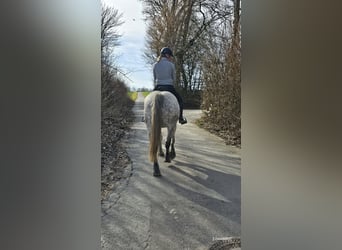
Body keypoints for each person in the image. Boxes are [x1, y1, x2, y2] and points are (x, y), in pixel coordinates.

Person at [153, 47, 187, 125]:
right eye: (170, 56)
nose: (171, 58)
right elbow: (174, 78)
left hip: (158, 87)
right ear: (167, 55)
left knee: (149, 101)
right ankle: (181, 118)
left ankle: (145, 117)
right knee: (180, 101)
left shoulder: (155, 65)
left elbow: (155, 78)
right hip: (169, 87)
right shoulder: (171, 65)